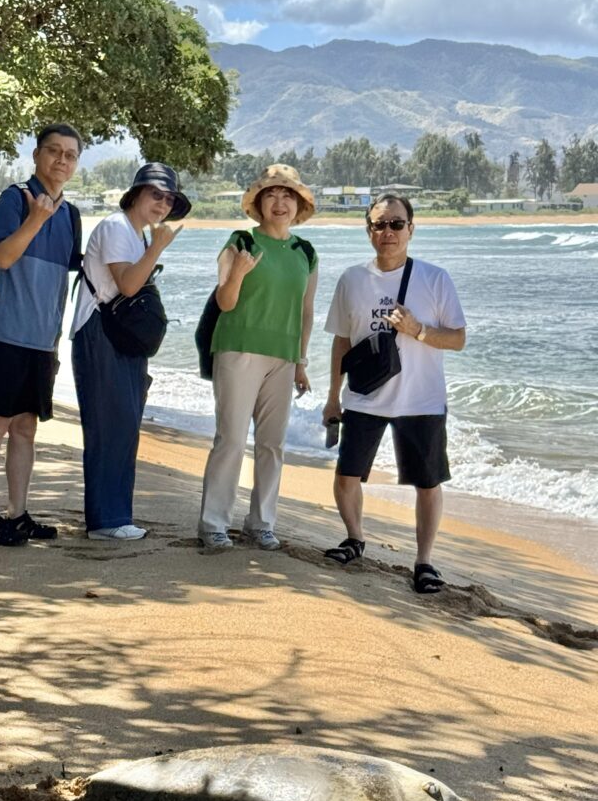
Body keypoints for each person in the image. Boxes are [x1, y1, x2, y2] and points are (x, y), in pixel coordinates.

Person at [322, 193, 466, 592]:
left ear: (411, 229)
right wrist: (333, 396)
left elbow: (458, 339)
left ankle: (424, 562)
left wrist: (418, 330)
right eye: (379, 224)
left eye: (396, 224)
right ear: (369, 231)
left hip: (421, 399)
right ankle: (354, 538)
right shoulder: (352, 279)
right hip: (364, 397)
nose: (388, 232)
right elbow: (340, 342)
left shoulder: (434, 278)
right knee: (348, 474)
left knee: (427, 482)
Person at [0, 122, 84, 546]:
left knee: (26, 428)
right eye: (54, 151)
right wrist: (35, 219)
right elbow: (4, 256)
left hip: (40, 342)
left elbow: (70, 272)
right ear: (36, 155)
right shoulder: (15, 199)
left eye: (70, 155)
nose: (61, 160)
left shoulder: (71, 215)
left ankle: (18, 513)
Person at [198, 164, 318, 551]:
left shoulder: (306, 252)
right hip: (238, 349)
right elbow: (225, 301)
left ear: (298, 205)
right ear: (259, 203)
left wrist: (300, 361)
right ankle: (214, 523)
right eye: (271, 195)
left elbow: (306, 310)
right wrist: (239, 273)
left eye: (288, 196)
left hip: (283, 357)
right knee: (231, 439)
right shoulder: (241, 241)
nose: (279, 202)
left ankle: (261, 523)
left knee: (272, 444)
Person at [70, 163, 189, 539]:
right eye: (156, 194)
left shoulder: (133, 234)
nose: (162, 204)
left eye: (169, 199)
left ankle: (117, 515)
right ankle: (106, 521)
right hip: (100, 333)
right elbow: (129, 285)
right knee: (110, 426)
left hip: (118, 337)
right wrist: (157, 248)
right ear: (136, 193)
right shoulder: (116, 227)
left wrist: (151, 246)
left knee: (123, 424)